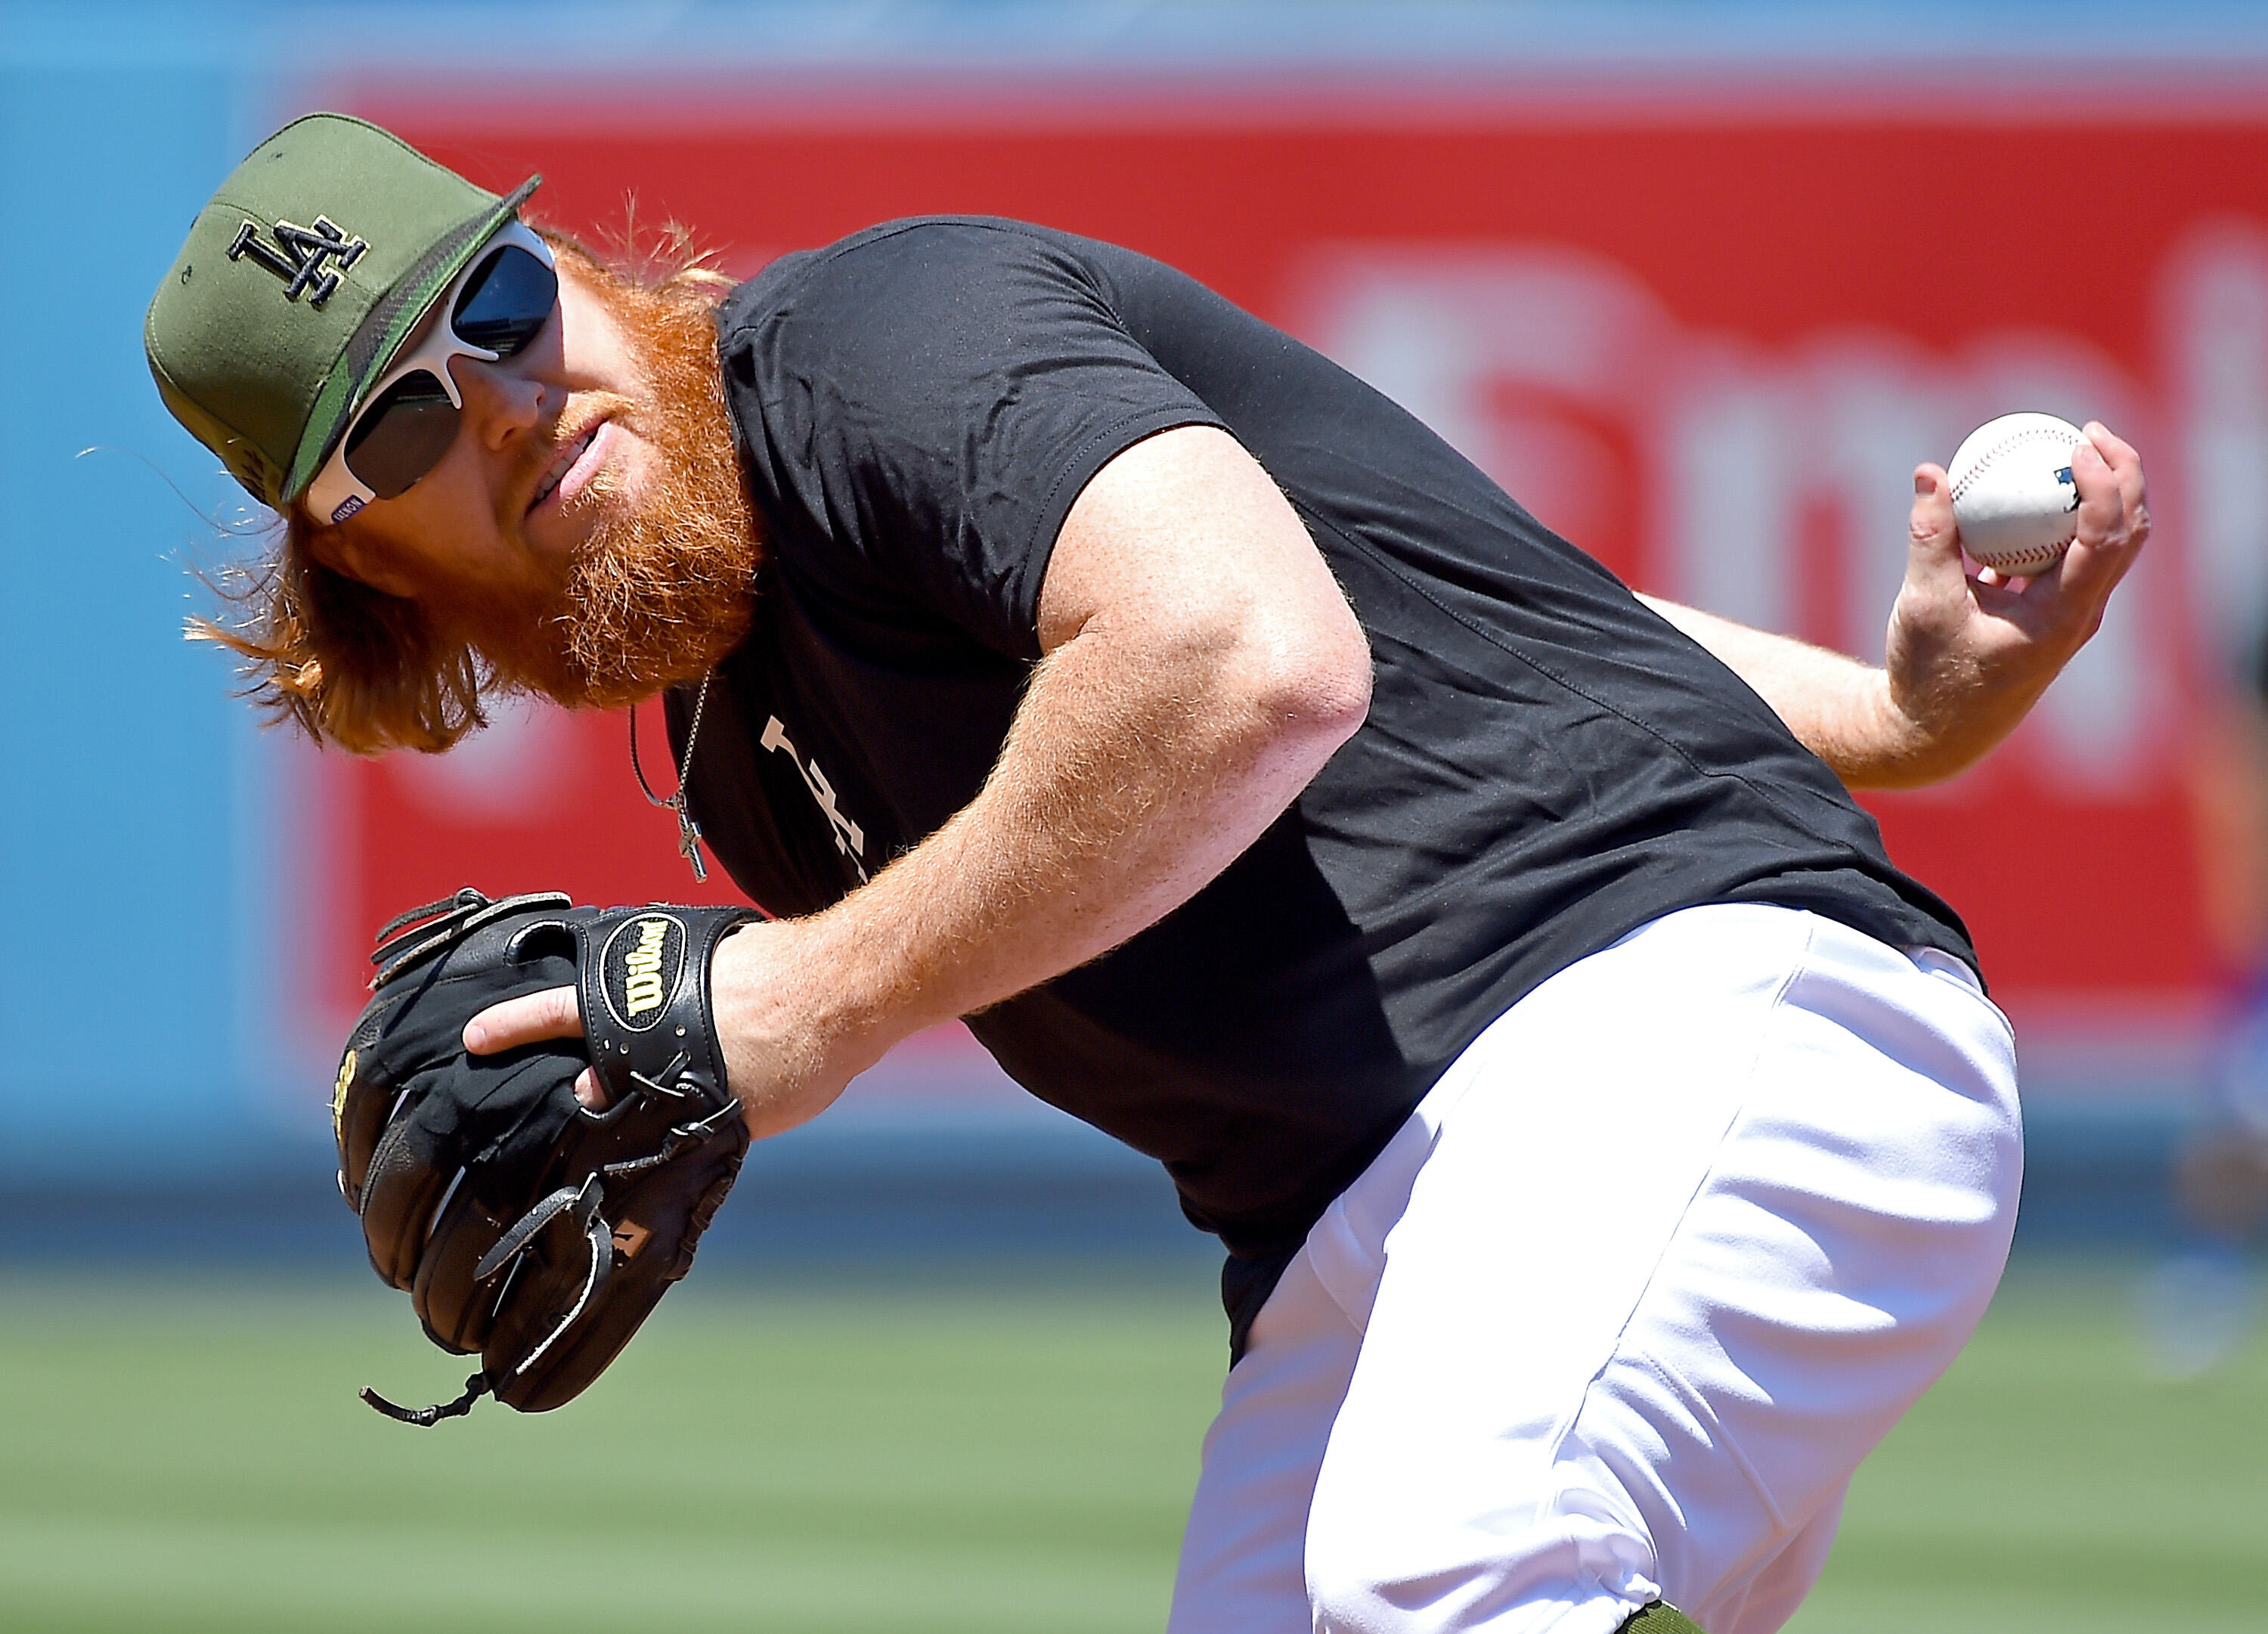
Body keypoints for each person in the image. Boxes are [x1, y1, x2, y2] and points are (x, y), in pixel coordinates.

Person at [147, 113, 2148, 1634]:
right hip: (1380, 1220)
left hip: (1674, 1021)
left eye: (499, 304)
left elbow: (1248, 651)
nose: (501, 399)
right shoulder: (724, 743)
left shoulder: (868, 343)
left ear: (573, 264)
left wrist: (806, 1003)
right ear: (364, 568)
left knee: (1442, 1566)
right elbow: (1501, 605)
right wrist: (1897, 721)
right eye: (404, 417)